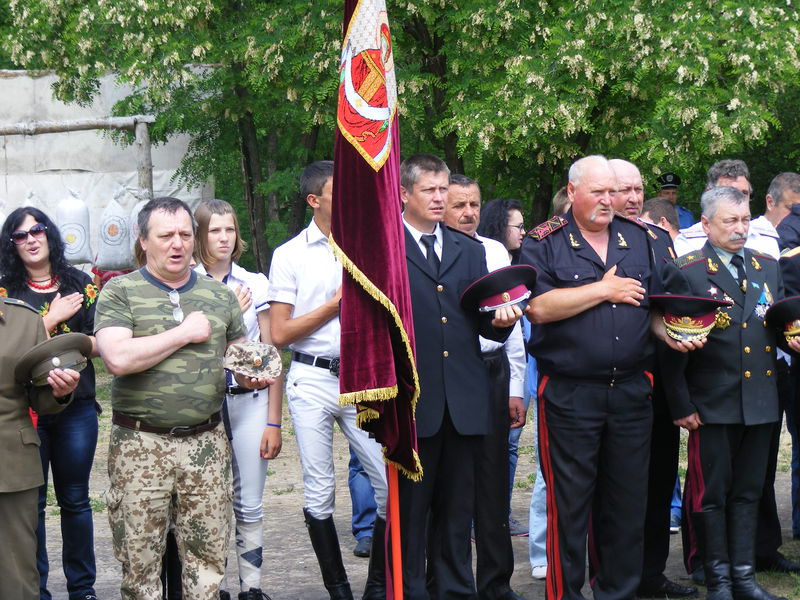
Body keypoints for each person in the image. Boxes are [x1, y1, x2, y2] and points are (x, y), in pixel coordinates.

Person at [519, 155, 698, 600]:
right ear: (573, 191)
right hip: (570, 392)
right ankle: (566, 595)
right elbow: (538, 308)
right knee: (570, 506)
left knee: (625, 505)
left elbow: (651, 309)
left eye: (612, 193)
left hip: (632, 392)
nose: (607, 201)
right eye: (597, 192)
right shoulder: (544, 241)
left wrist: (672, 335)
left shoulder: (642, 239)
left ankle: (617, 592)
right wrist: (603, 288)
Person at [95, 196, 273, 598]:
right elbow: (118, 359)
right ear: (144, 241)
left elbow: (240, 360)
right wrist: (185, 333)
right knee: (141, 570)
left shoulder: (220, 296)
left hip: (206, 444)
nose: (177, 244)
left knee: (207, 566)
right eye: (165, 236)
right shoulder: (120, 292)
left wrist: (250, 378)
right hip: (141, 445)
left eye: (184, 235)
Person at [398, 153, 521, 599]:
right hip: (413, 397)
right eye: (429, 190)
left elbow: (479, 322)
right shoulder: (386, 249)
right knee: (413, 510)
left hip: (465, 397)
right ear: (404, 193)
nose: (439, 198)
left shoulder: (469, 250)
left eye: (442, 189)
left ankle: (452, 589)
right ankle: (411, 589)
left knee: (456, 507)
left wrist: (500, 322)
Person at [660, 185, 790, 600]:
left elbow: (779, 324)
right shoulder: (688, 269)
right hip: (712, 402)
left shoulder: (767, 265)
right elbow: (671, 345)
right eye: (729, 221)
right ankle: (717, 579)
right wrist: (680, 403)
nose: (740, 229)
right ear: (706, 224)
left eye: (745, 220)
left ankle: (745, 577)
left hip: (761, 399)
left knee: (750, 492)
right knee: (711, 495)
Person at [268, 161, 388, 600]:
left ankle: (377, 587)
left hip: (362, 377)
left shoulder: (371, 245)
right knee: (320, 490)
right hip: (311, 377)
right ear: (313, 200)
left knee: (389, 484)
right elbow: (279, 333)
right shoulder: (290, 255)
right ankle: (338, 591)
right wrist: (335, 306)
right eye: (341, 194)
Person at [0, 206, 102, 600]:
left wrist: (70, 348)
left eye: (37, 230)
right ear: (11, 245)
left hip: (76, 404)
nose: (31, 239)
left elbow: (100, 339)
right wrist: (53, 318)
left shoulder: (80, 281)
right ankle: (37, 589)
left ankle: (83, 589)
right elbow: (10, 344)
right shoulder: (6, 290)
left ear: (50, 234)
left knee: (75, 500)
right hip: (25, 411)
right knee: (33, 503)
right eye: (20, 235)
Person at [607, 159, 697, 599]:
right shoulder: (587, 238)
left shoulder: (659, 238)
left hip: (656, 384)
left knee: (660, 483)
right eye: (623, 189)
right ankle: (610, 574)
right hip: (611, 382)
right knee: (615, 490)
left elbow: (671, 302)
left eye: (637, 189)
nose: (633, 197)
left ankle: (651, 573)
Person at [193, 199, 283, 599]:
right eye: (214, 230)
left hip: (249, 403)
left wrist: (274, 420)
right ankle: (216, 588)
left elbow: (271, 353)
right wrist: (223, 310)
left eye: (229, 229)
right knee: (207, 502)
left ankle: (252, 588)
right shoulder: (187, 283)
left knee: (249, 501)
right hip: (202, 406)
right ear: (199, 235)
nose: (224, 238)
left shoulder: (255, 283)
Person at [444, 175, 527, 600]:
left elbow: (512, 328)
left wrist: (516, 386)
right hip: (450, 373)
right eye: (459, 204)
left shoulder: (494, 251)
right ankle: (452, 582)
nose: (468, 213)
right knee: (455, 483)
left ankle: (496, 584)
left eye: (474, 204)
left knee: (494, 483)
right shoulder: (435, 252)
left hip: (493, 371)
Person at [0, 295, 81, 600]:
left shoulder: (25, 320)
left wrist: (60, 392)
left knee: (16, 578)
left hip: (9, 464)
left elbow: (41, 400)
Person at [675, 160, 780, 258]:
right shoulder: (689, 242)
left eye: (744, 193)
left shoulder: (765, 241)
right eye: (730, 193)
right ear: (709, 195)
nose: (738, 200)